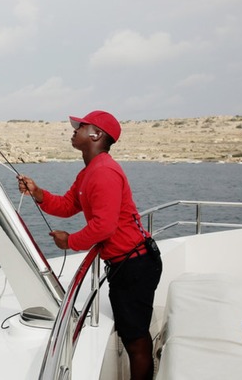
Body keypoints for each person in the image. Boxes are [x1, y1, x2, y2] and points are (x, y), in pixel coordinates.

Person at [17, 110, 162, 380]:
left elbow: (104, 226)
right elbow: (67, 205)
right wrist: (37, 193)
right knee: (132, 335)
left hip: (135, 264)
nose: (74, 130)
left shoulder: (104, 172)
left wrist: (69, 241)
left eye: (80, 126)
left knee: (136, 340)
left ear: (96, 135)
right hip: (126, 263)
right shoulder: (89, 173)